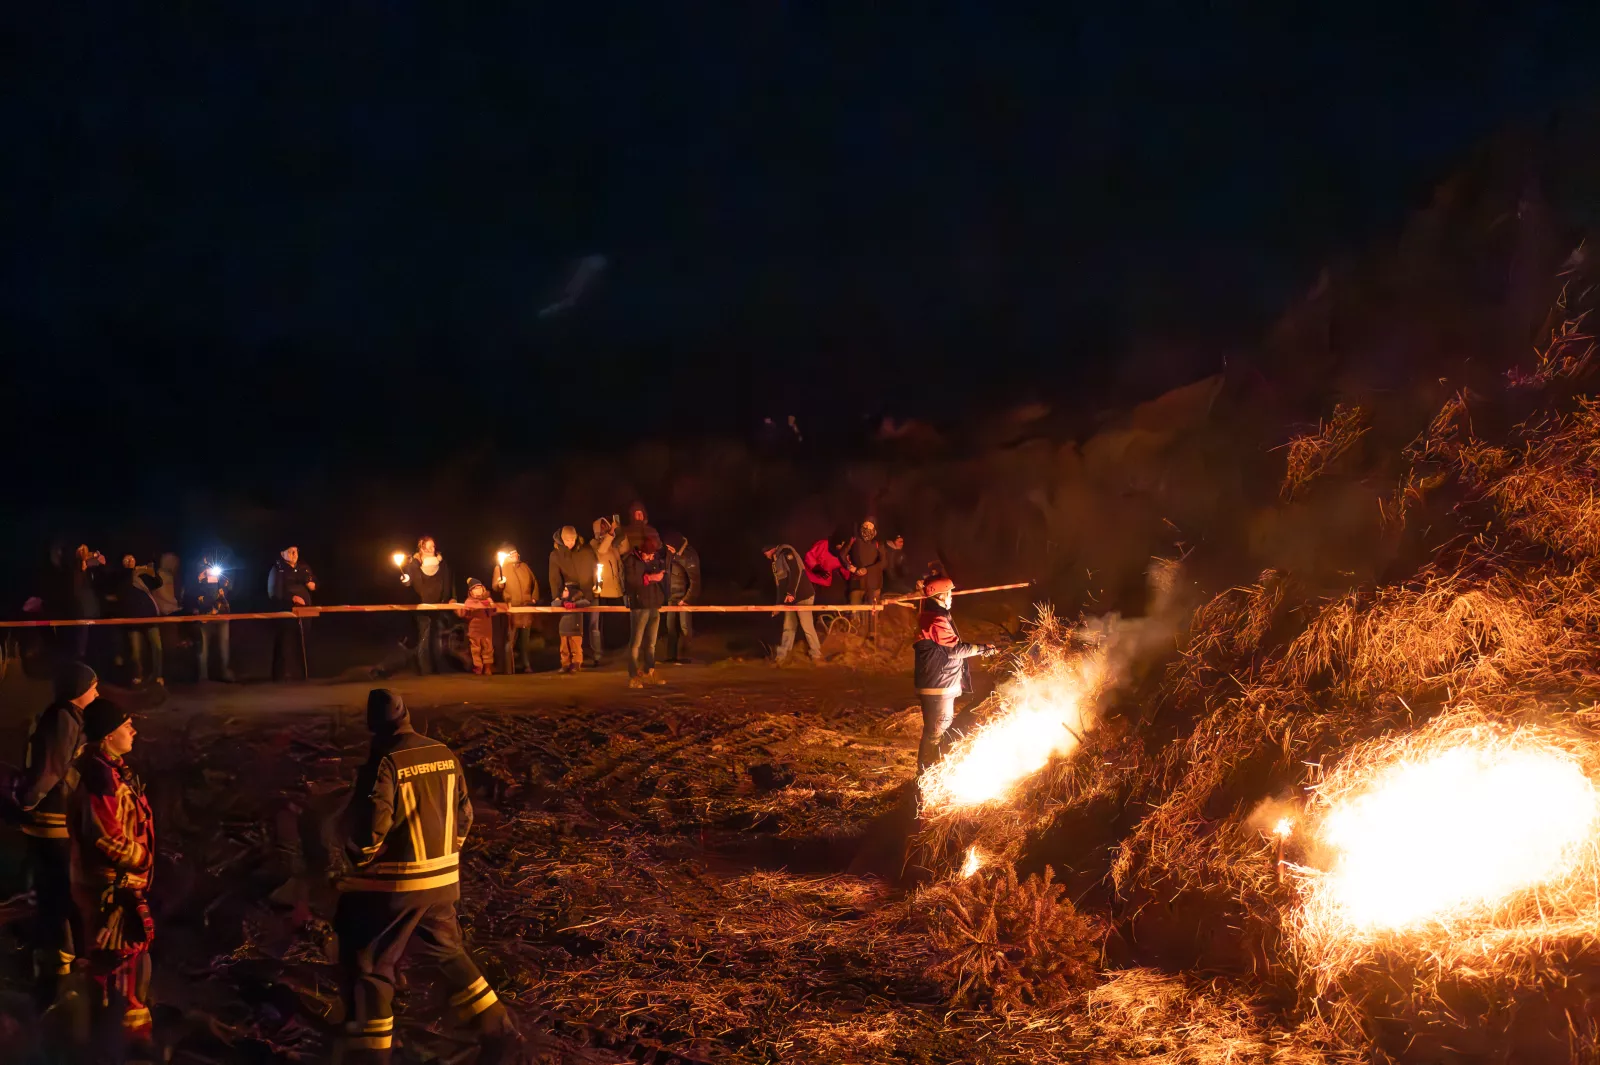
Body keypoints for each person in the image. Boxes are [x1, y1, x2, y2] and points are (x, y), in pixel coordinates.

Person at [335, 690, 521, 1063]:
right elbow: (465, 814)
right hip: (443, 881)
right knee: (448, 951)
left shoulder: (384, 761)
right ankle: (499, 1029)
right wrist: (447, 853)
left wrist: (360, 859)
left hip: (400, 886)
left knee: (372, 964)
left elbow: (372, 827)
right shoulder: (444, 753)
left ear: (373, 726)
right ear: (407, 714)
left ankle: (371, 1057)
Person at [69, 698, 156, 1061]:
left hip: (122, 886)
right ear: (107, 735)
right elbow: (105, 836)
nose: (133, 730)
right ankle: (120, 1048)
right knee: (117, 969)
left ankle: (119, 1042)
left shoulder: (113, 772)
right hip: (111, 890)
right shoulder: (100, 779)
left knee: (129, 966)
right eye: (126, 725)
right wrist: (142, 857)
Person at [10, 662, 97, 1010]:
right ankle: (61, 969)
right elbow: (52, 768)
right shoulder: (63, 719)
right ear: (79, 689)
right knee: (59, 892)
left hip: (55, 820)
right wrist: (28, 802)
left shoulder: (68, 716)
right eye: (93, 687)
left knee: (56, 892)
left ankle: (59, 961)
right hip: (51, 822)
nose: (97, 692)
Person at [913, 577, 997, 773]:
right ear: (941, 595)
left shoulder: (934, 615)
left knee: (938, 731)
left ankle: (931, 771)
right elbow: (954, 650)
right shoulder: (936, 619)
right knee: (936, 733)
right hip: (937, 686)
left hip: (939, 683)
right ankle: (925, 774)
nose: (951, 597)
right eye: (949, 593)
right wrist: (983, 649)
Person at [399, 538, 454, 675]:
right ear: (421, 549)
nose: (430, 550)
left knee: (437, 640)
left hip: (439, 607)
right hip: (421, 607)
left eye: (432, 547)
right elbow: (408, 582)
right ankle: (425, 670)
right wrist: (405, 581)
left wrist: (449, 598)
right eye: (427, 547)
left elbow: (448, 582)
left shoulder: (442, 564)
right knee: (424, 639)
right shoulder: (413, 565)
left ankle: (438, 669)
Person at [622, 534, 669, 688]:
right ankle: (633, 676)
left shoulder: (655, 560)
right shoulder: (631, 561)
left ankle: (650, 671)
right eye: (648, 554)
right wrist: (651, 578)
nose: (650, 557)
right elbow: (631, 582)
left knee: (651, 643)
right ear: (641, 552)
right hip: (639, 606)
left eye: (652, 554)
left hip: (654, 604)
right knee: (636, 643)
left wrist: (661, 593)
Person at [763, 544, 821, 665]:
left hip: (803, 596)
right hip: (790, 600)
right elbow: (780, 586)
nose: (765, 556)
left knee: (807, 626)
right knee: (788, 626)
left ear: (771, 549)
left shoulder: (786, 552)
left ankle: (816, 655)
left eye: (765, 553)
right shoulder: (775, 562)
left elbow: (796, 571)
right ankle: (782, 656)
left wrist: (791, 593)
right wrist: (778, 605)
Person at [549, 526, 599, 664]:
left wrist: (597, 584)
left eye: (572, 539)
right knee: (570, 628)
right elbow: (554, 578)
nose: (570, 542)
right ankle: (570, 660)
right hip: (571, 595)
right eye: (567, 540)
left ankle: (596, 656)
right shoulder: (557, 555)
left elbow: (596, 568)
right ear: (561, 539)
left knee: (593, 626)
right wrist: (557, 595)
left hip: (589, 593)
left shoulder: (586, 550)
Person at [268, 545, 317, 680]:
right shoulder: (278, 569)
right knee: (285, 642)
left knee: (302, 642)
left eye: (295, 551)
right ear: (282, 553)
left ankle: (302, 674)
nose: (294, 554)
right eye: (290, 551)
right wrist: (291, 598)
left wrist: (310, 582)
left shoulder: (303, 567)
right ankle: (282, 675)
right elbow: (273, 592)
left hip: (305, 612)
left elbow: (313, 585)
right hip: (286, 613)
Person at [114, 555, 165, 687]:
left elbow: (158, 583)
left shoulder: (141, 576)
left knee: (157, 648)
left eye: (132, 559)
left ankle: (157, 676)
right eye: (127, 560)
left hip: (149, 617)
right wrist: (130, 572)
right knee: (135, 652)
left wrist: (152, 572)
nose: (130, 562)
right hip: (132, 620)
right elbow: (121, 590)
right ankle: (138, 676)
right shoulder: (122, 578)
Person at [492, 543, 539, 674]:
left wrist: (534, 597)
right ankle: (508, 667)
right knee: (510, 638)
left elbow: (534, 582)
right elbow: (496, 587)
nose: (516, 555)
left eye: (516, 552)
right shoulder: (500, 568)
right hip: (511, 607)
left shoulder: (524, 567)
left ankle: (526, 664)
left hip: (526, 607)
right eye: (513, 553)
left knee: (525, 639)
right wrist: (500, 584)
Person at [842, 519, 888, 644]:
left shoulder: (878, 544)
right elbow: (842, 555)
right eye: (864, 527)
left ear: (874, 530)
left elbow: (884, 563)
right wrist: (850, 567)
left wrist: (867, 570)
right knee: (854, 609)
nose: (866, 531)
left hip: (873, 582)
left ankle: (872, 636)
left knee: (873, 610)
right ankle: (854, 636)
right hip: (857, 581)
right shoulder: (854, 540)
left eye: (869, 528)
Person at [191, 559, 235, 682]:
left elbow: (230, 588)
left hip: (222, 616)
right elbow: (194, 596)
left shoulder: (222, 579)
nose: (210, 570)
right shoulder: (198, 581)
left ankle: (224, 672)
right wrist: (200, 579)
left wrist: (222, 582)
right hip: (204, 617)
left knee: (224, 646)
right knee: (203, 648)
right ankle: (203, 676)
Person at [661, 531, 701, 664]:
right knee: (670, 626)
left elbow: (695, 581)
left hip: (684, 597)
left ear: (676, 545)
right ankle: (671, 656)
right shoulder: (670, 554)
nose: (669, 549)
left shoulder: (689, 555)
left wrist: (687, 599)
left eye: (670, 547)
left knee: (685, 627)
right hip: (671, 596)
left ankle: (685, 655)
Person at [591, 518, 625, 661]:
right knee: (602, 624)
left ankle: (618, 649)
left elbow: (624, 549)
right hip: (603, 591)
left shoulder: (612, 543)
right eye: (602, 526)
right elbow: (601, 551)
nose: (605, 528)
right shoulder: (594, 544)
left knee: (616, 622)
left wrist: (620, 532)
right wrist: (611, 533)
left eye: (606, 525)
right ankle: (602, 651)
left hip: (616, 589)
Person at [70, 545, 108, 661]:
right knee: (83, 636)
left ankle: (92, 656)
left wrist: (97, 558)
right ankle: (81, 657)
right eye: (82, 551)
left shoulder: (90, 570)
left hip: (91, 608)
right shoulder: (77, 568)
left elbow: (101, 562)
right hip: (83, 609)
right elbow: (77, 589)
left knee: (93, 636)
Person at [459, 579, 497, 675]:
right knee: (475, 648)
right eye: (475, 588)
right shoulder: (469, 601)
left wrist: (491, 606)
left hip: (486, 628)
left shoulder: (488, 600)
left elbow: (493, 612)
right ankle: (478, 666)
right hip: (474, 629)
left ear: (483, 588)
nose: (478, 590)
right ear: (471, 591)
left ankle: (487, 667)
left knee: (488, 647)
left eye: (479, 588)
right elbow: (464, 614)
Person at [556, 581, 590, 674]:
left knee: (576, 648)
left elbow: (586, 602)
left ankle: (576, 664)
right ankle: (565, 665)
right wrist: (563, 603)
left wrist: (574, 605)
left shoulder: (580, 600)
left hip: (575, 628)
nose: (564, 592)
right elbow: (554, 603)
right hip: (564, 628)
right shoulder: (562, 600)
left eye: (566, 590)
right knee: (564, 649)